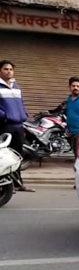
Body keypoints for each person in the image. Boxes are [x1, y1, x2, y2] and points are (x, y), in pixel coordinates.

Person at [0, 60, 34, 192]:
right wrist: (5, 115)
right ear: (0, 71)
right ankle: (5, 185)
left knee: (17, 155)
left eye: (11, 69)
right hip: (4, 125)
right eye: (5, 69)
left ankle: (18, 183)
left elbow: (21, 103)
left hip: (19, 125)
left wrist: (23, 113)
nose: (9, 71)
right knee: (4, 156)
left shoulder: (16, 86)